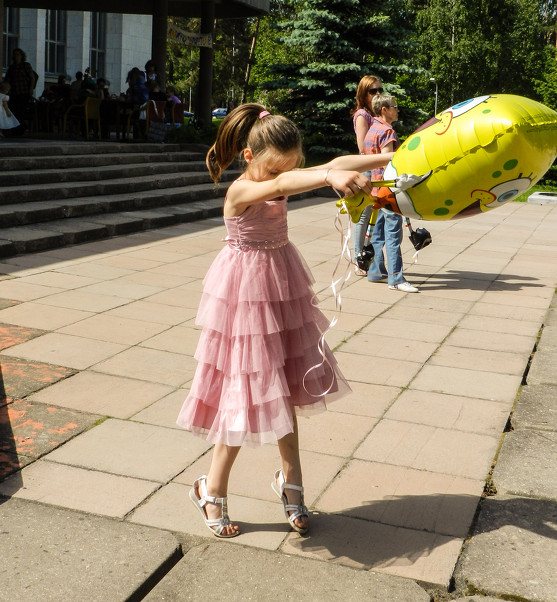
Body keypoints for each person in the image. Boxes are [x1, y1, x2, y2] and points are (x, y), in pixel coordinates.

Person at [176, 103, 391, 538]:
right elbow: (294, 180)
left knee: (287, 387)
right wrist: (325, 177)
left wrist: (388, 158)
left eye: (292, 167)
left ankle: (290, 483)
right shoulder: (239, 190)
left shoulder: (278, 174)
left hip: (280, 285)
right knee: (245, 390)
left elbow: (335, 163)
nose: (283, 179)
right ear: (250, 157)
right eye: (276, 170)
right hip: (245, 295)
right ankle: (210, 488)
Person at [364, 93, 418, 293]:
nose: (398, 110)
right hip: (387, 189)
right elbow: (386, 160)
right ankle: (396, 279)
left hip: (375, 189)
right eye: (394, 107)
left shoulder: (372, 130)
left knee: (377, 232)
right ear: (384, 110)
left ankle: (375, 271)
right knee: (393, 235)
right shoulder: (386, 131)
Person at [351, 75, 382, 276]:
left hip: (377, 168)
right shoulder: (363, 115)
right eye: (373, 91)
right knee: (363, 215)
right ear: (364, 94)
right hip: (368, 168)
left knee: (374, 214)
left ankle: (368, 257)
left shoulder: (377, 113)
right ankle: (357, 258)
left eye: (380, 89)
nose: (378, 93)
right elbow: (362, 146)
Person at [4, 48, 36, 129]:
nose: (16, 56)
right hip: (14, 93)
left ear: (22, 56)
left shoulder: (26, 65)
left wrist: (31, 89)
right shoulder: (11, 68)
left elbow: (32, 78)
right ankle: (17, 128)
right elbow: (7, 80)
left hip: (24, 92)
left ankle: (21, 128)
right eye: (15, 55)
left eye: (18, 54)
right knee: (14, 111)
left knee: (21, 111)